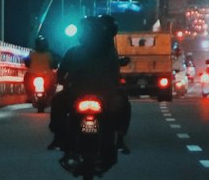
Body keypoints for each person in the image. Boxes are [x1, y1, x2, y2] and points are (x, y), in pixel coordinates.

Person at [48, 15, 132, 154]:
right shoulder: (110, 53)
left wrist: (63, 82)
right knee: (124, 105)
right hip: (106, 96)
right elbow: (115, 76)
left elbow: (61, 74)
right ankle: (120, 139)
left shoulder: (74, 51)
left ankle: (58, 138)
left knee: (57, 101)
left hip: (77, 94)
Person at [23, 32, 58, 105]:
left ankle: (30, 96)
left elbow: (26, 62)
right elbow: (55, 63)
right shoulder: (50, 54)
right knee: (53, 83)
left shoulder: (32, 54)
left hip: (33, 75)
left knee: (27, 81)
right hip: (47, 75)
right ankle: (49, 97)